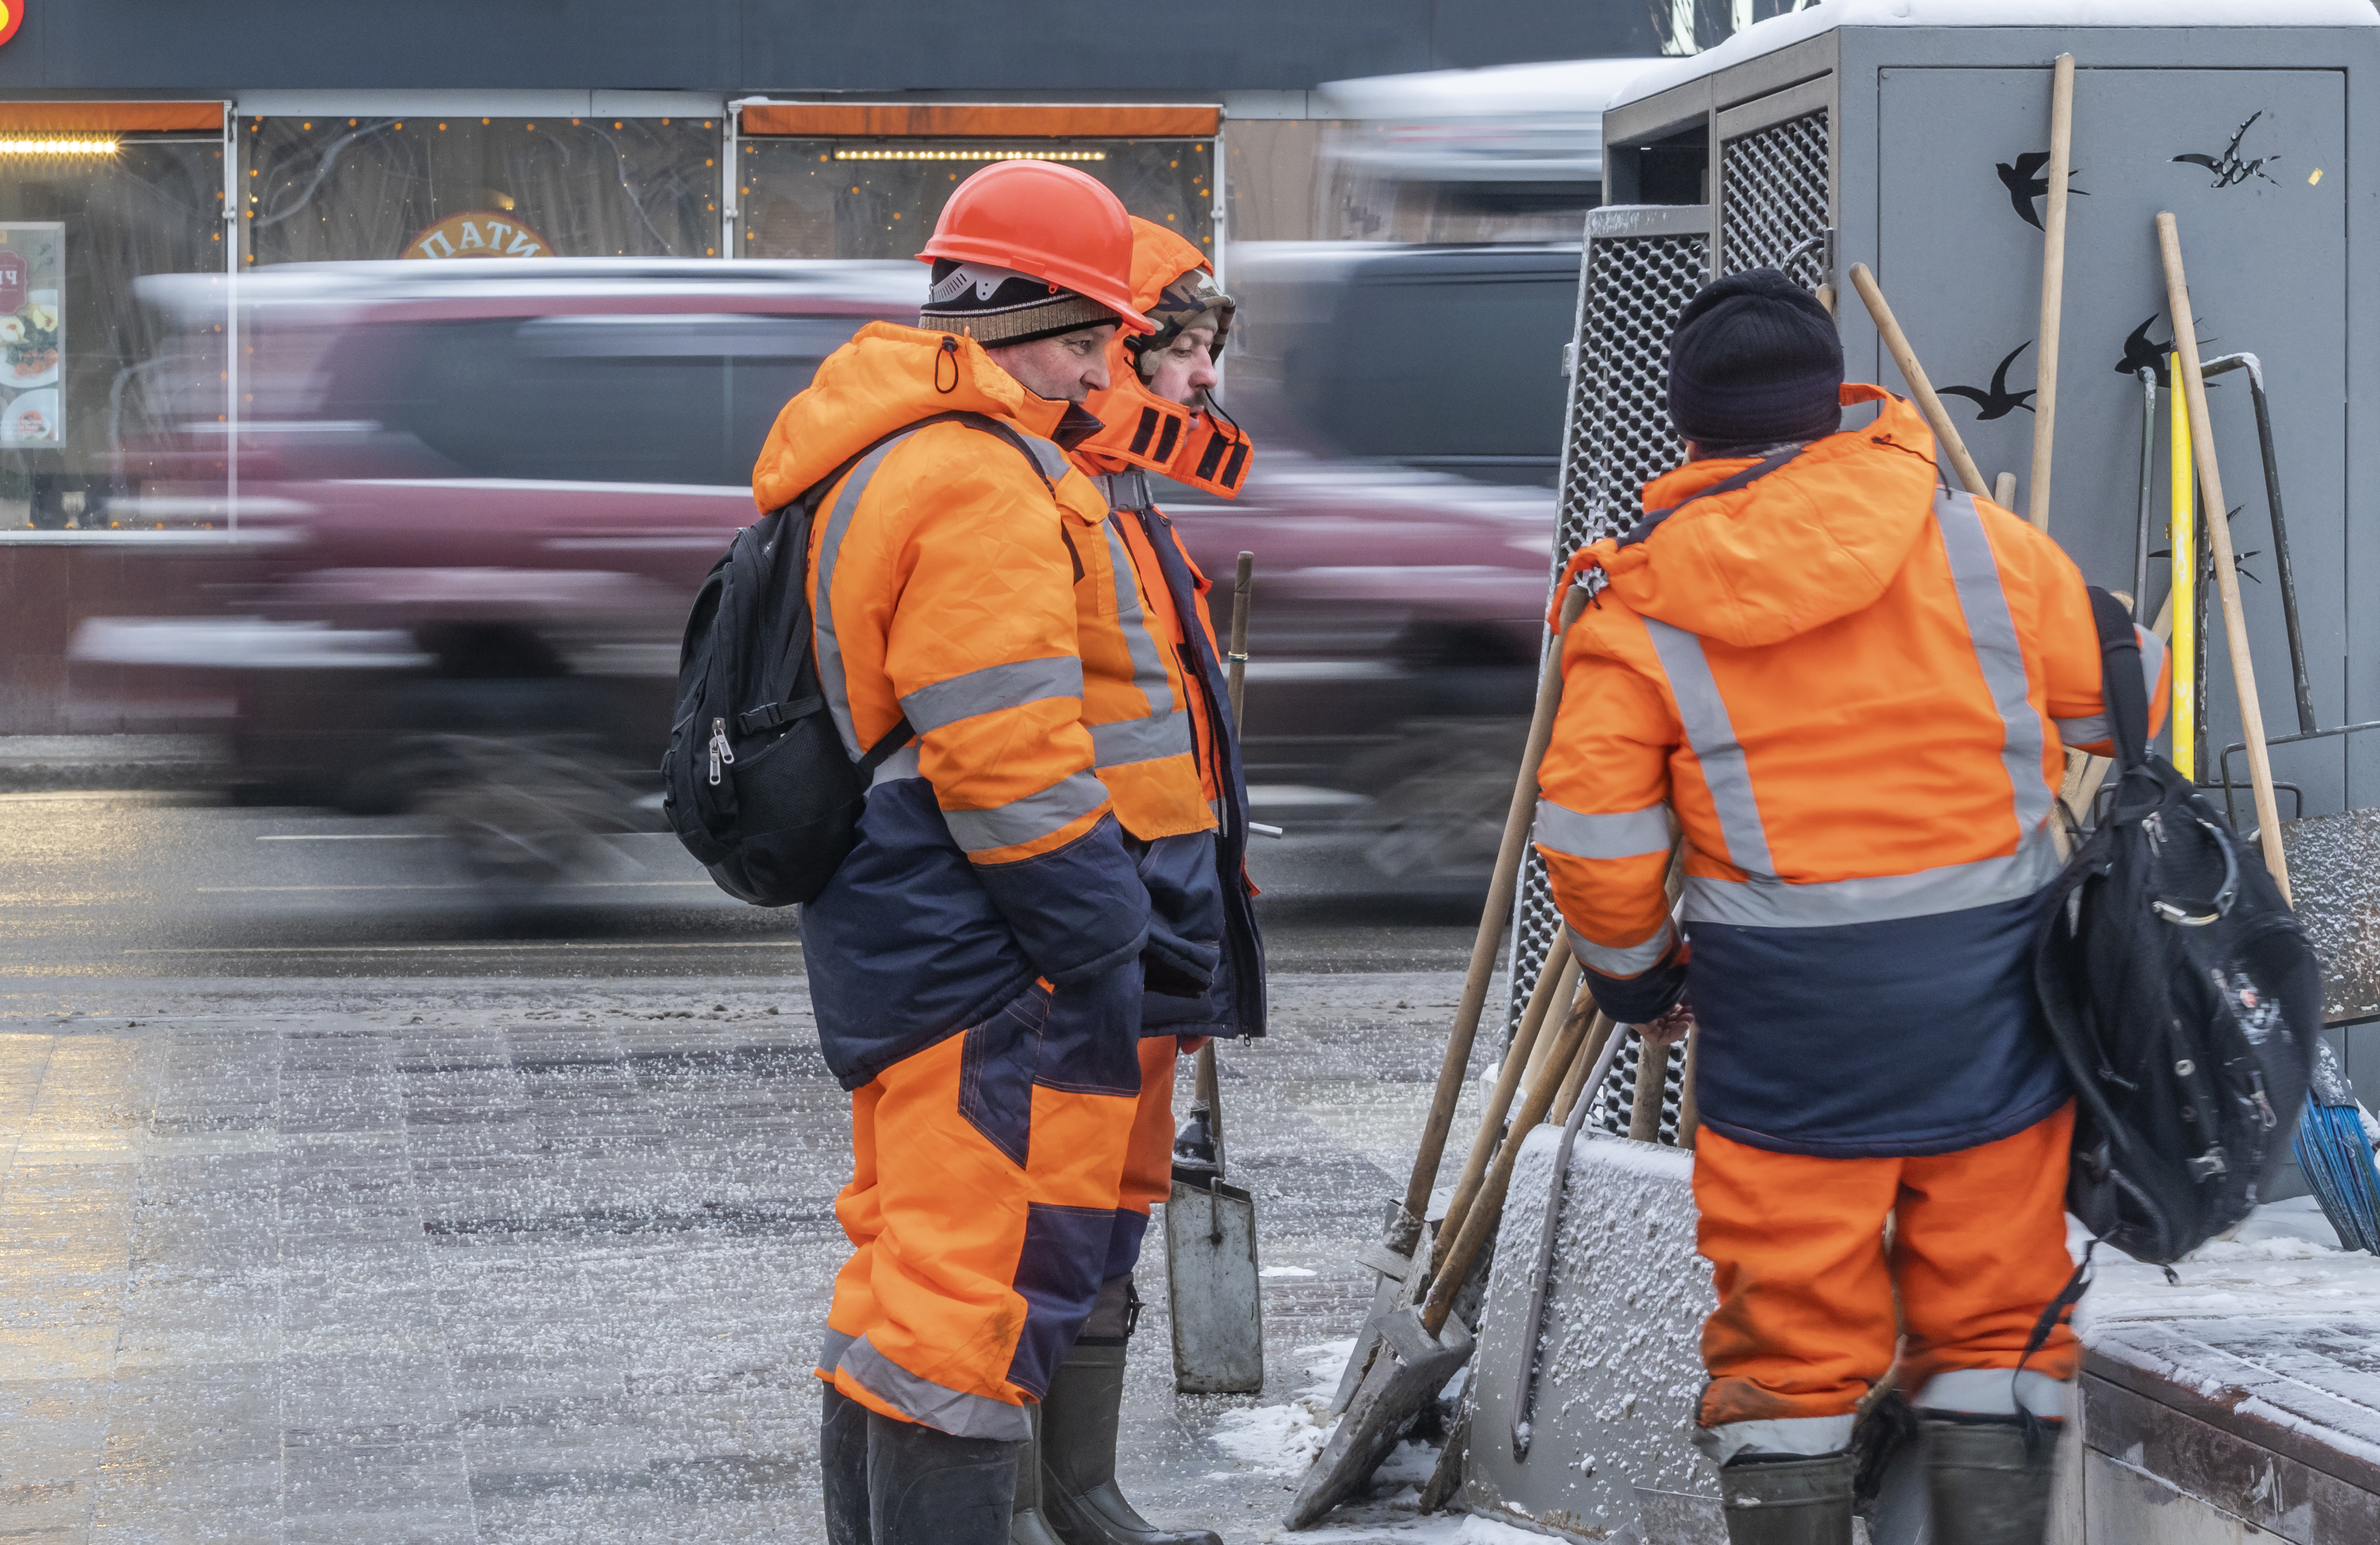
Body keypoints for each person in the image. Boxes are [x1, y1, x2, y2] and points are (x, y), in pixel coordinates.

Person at [1531, 269, 2168, 1545]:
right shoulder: (1979, 544)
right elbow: (2121, 704)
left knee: (1791, 1334)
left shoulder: (1640, 602)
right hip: (1994, 1005)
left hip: (1786, 1028)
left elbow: (1593, 841)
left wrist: (1638, 976)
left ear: (1689, 428)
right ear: (1835, 403)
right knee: (1994, 1315)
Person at [755, 159, 1190, 1545]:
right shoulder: (978, 471)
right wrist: (1096, 932)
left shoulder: (874, 441)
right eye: (1085, 333)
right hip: (980, 942)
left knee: (902, 1270)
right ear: (1017, 310)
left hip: (892, 919)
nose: (1103, 361)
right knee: (969, 1291)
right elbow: (1002, 748)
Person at [1007, 217, 1265, 1545]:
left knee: (1113, 1195)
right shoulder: (1047, 486)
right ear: (1119, 348)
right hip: (1084, 901)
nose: (1206, 383)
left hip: (1151, 895)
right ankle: (1026, 1501)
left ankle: (1080, 1494)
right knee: (1043, 1203)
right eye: (1188, 350)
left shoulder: (1118, 492)